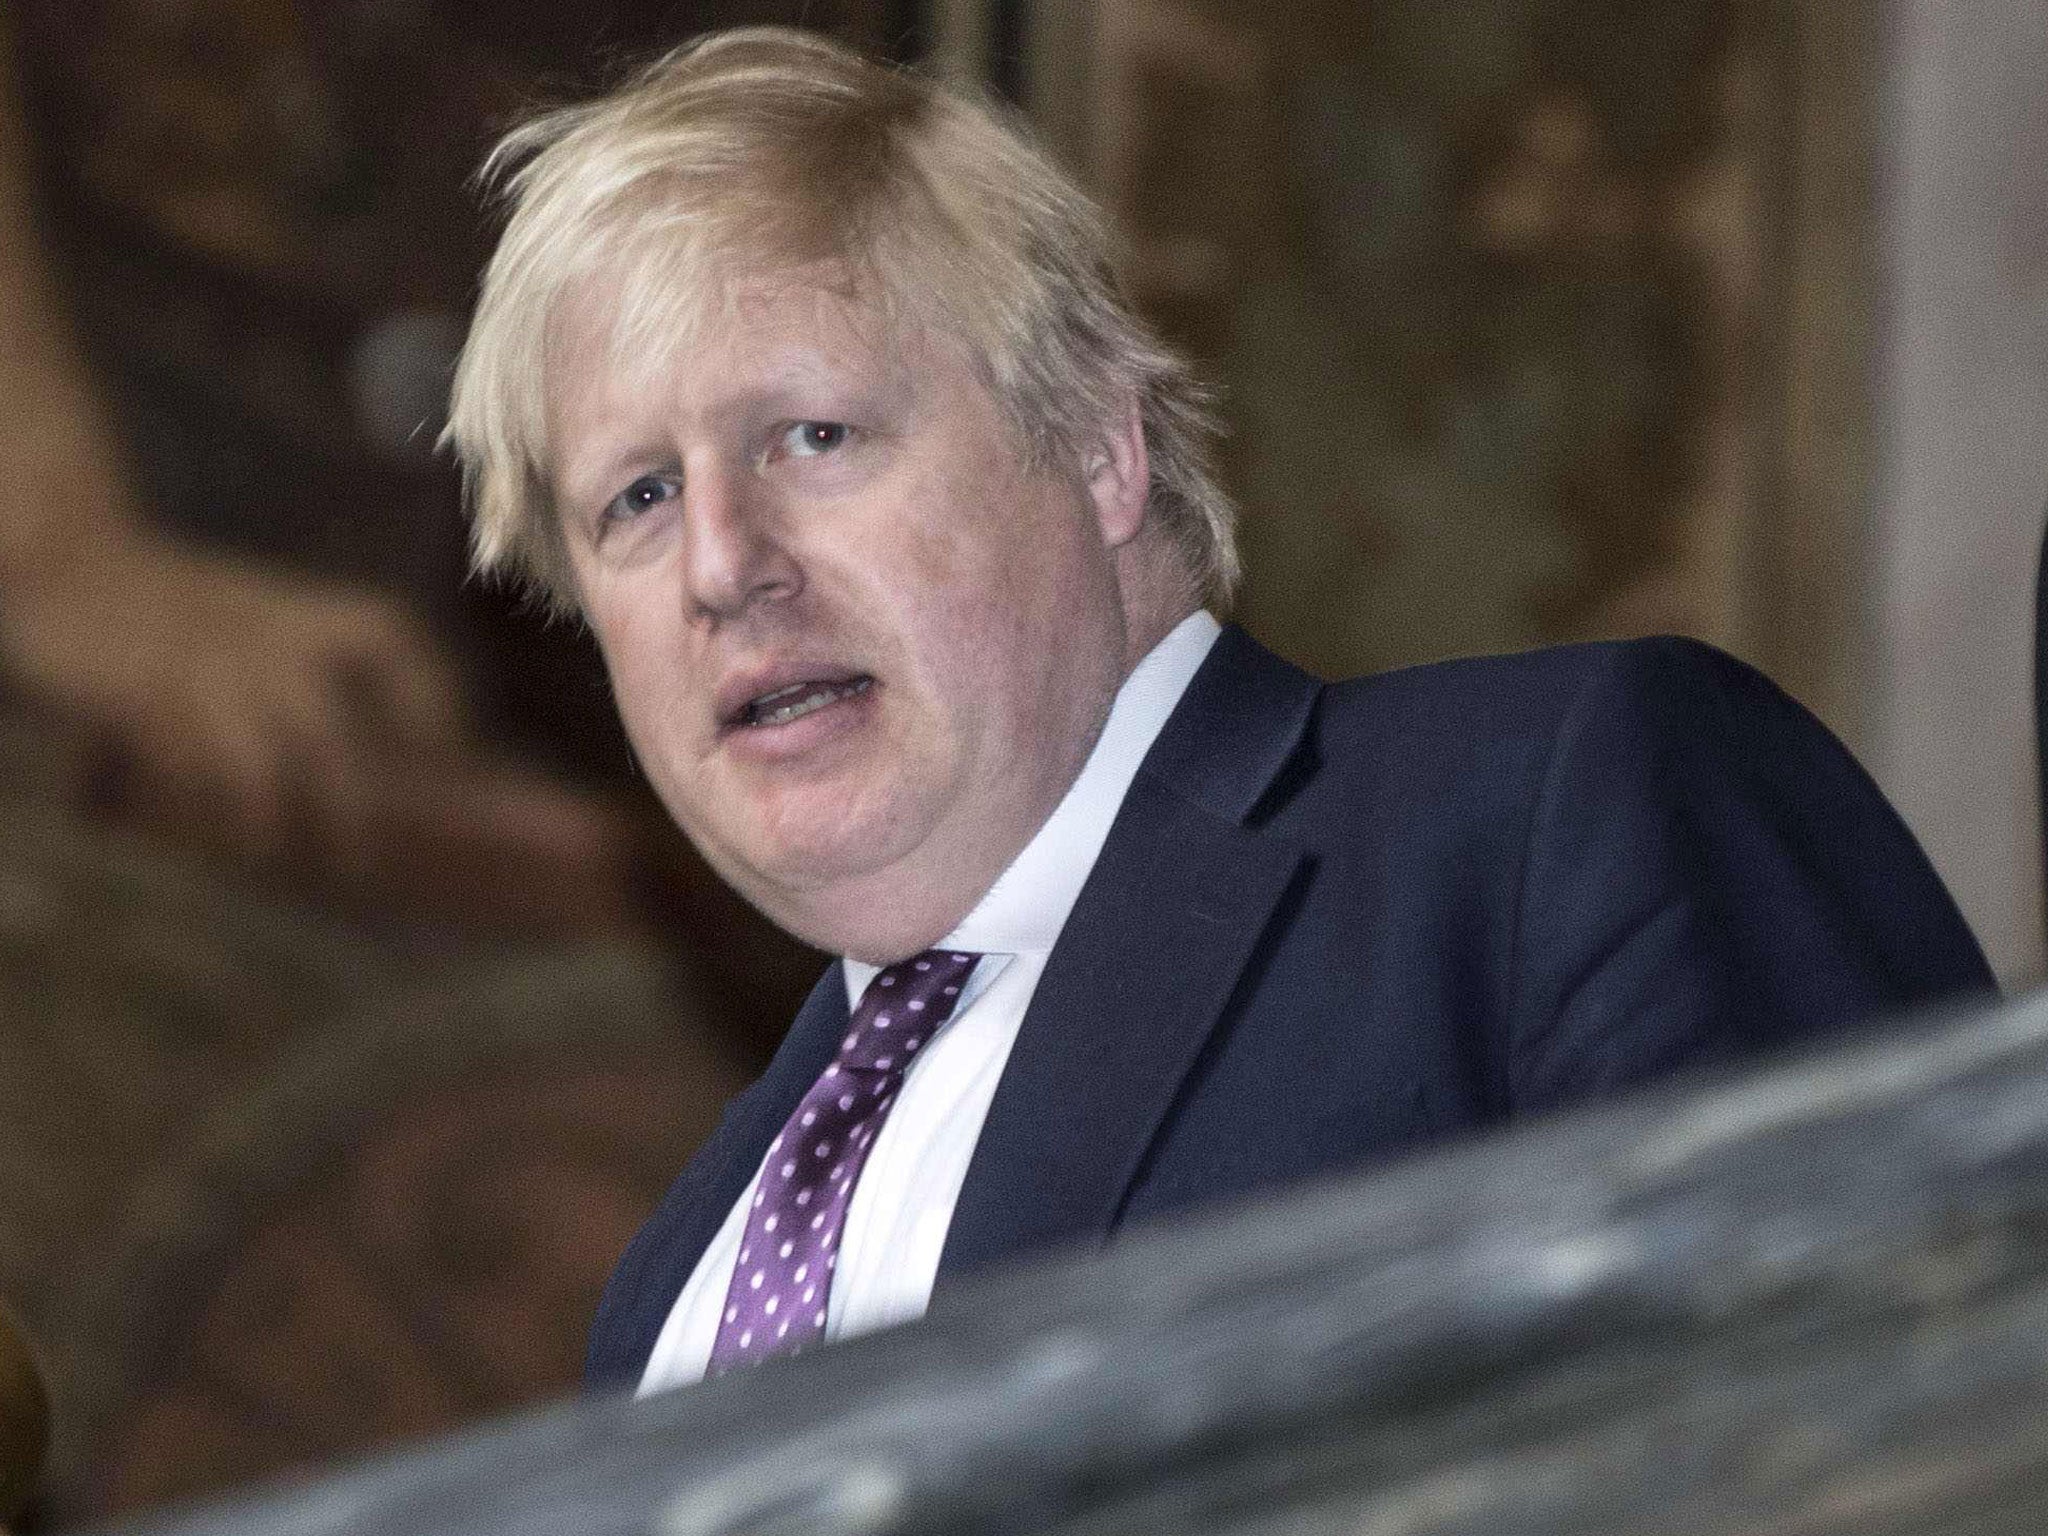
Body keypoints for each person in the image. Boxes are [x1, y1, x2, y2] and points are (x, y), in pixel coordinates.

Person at [440, 27, 1994, 1392]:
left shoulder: (1552, 830)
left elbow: (1899, 1435)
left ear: (1102, 452)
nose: (721, 564)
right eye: (637, 498)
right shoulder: (674, 1284)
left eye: (813, 434)